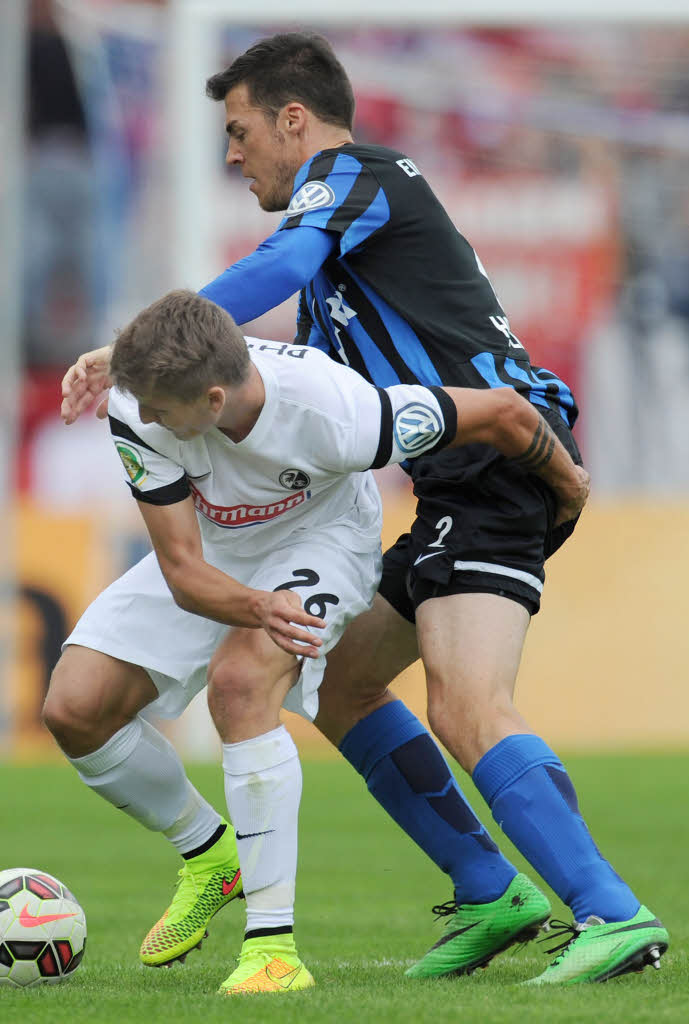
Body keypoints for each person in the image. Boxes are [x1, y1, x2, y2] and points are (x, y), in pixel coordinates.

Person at [58, 34, 667, 986]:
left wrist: (143, 338)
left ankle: (609, 911)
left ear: (291, 119)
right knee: (339, 684)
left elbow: (282, 263)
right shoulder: (353, 254)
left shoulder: (356, 177)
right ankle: (487, 886)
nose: (232, 152)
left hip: (496, 461)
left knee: (469, 704)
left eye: (240, 128)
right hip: (455, 476)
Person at [45, 289, 590, 994]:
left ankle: (271, 950)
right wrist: (252, 602)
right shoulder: (135, 402)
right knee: (74, 708)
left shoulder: (341, 413)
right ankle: (210, 854)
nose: (142, 417)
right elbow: (183, 571)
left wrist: (568, 483)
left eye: (158, 411)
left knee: (241, 685)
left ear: (213, 401)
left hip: (322, 539)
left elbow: (505, 412)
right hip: (217, 551)